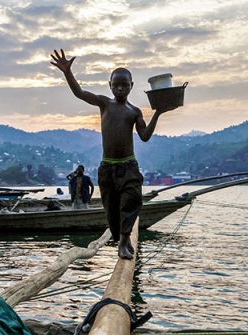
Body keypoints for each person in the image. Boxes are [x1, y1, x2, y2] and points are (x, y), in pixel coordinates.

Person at [51, 49, 178, 259]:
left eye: (124, 85)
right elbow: (79, 93)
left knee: (133, 199)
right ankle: (120, 237)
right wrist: (67, 72)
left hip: (128, 166)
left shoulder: (135, 111)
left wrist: (157, 113)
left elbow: (144, 136)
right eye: (116, 84)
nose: (120, 88)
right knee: (111, 209)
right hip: (107, 167)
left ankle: (125, 240)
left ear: (131, 86)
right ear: (110, 85)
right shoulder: (104, 103)